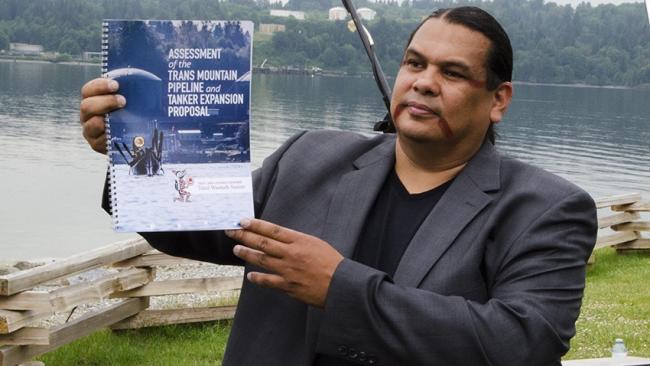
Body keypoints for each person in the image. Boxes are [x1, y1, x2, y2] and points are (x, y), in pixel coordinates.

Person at [79, 6, 597, 366]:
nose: (424, 81)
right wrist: (136, 149)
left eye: (453, 73)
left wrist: (340, 288)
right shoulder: (310, 158)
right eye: (414, 63)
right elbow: (193, 228)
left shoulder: (545, 209)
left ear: (498, 99)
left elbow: (521, 345)